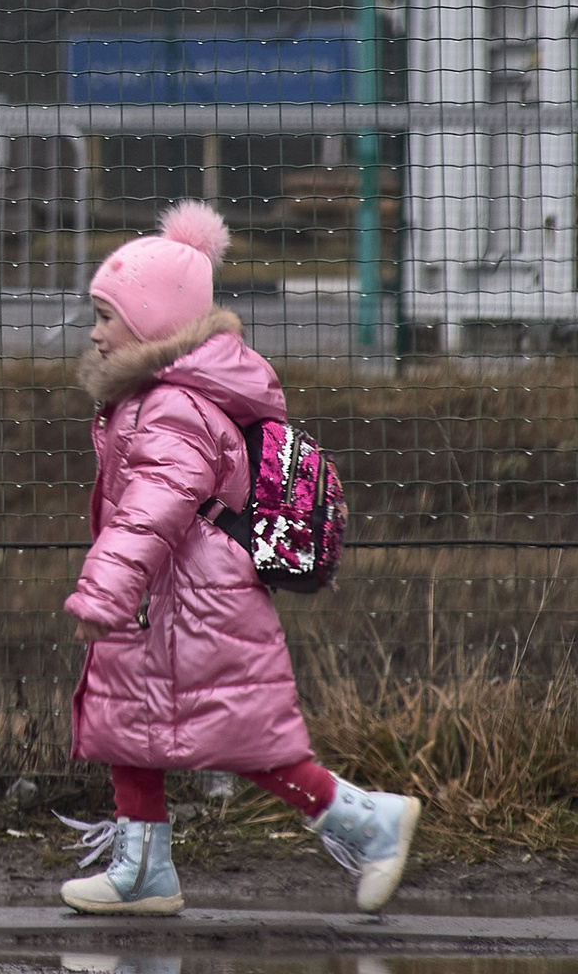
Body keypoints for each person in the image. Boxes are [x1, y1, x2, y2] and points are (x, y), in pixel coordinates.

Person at [61, 201, 421, 916]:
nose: (95, 332)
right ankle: (143, 869)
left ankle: (367, 821)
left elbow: (151, 509)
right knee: (127, 721)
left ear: (152, 321)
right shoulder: (158, 398)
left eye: (107, 315)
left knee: (243, 738)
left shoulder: (169, 408)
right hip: (167, 598)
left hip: (196, 601)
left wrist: (101, 592)